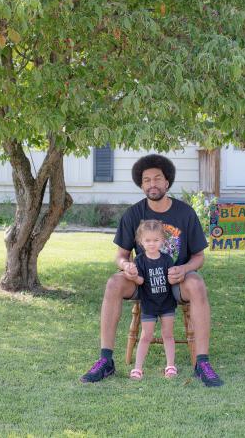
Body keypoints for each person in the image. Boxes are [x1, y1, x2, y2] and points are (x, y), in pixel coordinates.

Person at [80, 154, 222, 387]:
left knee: (196, 283)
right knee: (113, 283)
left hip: (176, 281)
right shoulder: (133, 214)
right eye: (146, 180)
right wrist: (127, 267)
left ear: (167, 182)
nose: (152, 184)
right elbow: (121, 256)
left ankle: (202, 363)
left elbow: (199, 257)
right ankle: (105, 360)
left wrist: (184, 268)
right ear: (141, 184)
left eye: (157, 179)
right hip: (143, 281)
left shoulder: (185, 213)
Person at [128, 219, 177, 380]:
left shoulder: (167, 259)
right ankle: (137, 368)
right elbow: (141, 281)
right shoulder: (140, 260)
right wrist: (134, 276)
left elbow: (171, 280)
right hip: (149, 303)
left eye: (156, 240)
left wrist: (175, 275)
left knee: (168, 335)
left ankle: (170, 366)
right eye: (147, 240)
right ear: (141, 241)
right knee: (145, 335)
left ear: (162, 240)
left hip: (167, 303)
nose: (151, 244)